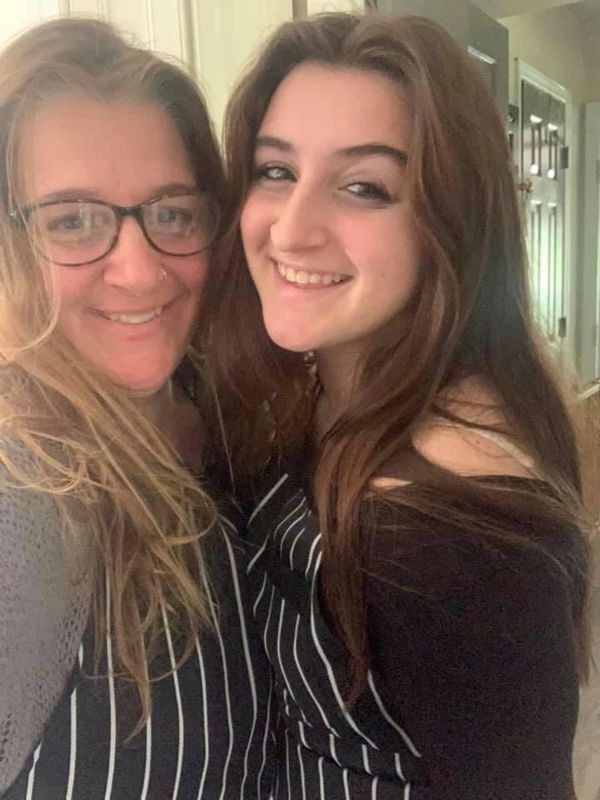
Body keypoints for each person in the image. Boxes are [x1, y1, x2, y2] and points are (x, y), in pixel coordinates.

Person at [204, 12, 591, 799]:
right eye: (275, 170)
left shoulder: (455, 538)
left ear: (450, 222)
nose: (292, 229)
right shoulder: (330, 393)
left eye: (364, 187)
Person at [0, 18, 274, 799]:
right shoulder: (20, 498)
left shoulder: (227, 416)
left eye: (172, 213)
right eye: (73, 221)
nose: (138, 269)